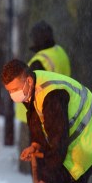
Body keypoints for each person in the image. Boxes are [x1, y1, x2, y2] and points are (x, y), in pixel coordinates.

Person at [14, 21, 71, 150]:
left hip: (37, 118)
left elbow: (33, 92)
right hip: (59, 112)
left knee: (37, 159)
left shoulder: (39, 61)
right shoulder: (60, 53)